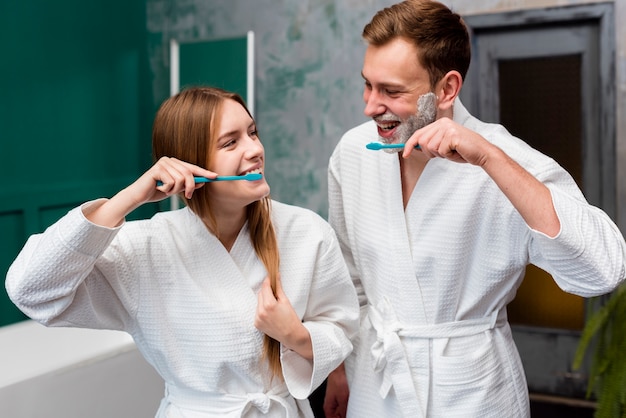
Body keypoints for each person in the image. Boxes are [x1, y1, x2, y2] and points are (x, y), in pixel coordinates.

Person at [324, 1, 626, 417]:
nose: (370, 106)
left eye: (391, 91)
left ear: (447, 89)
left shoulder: (506, 160)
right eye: (367, 85)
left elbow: (603, 270)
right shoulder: (353, 153)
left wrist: (491, 160)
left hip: (473, 393)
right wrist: (341, 369)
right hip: (377, 386)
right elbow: (350, 281)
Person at [6, 86, 359, 417]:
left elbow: (341, 327)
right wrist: (132, 197)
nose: (254, 149)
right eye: (230, 142)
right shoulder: (146, 248)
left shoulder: (307, 232)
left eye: (252, 133)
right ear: (192, 164)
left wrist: (294, 335)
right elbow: (31, 289)